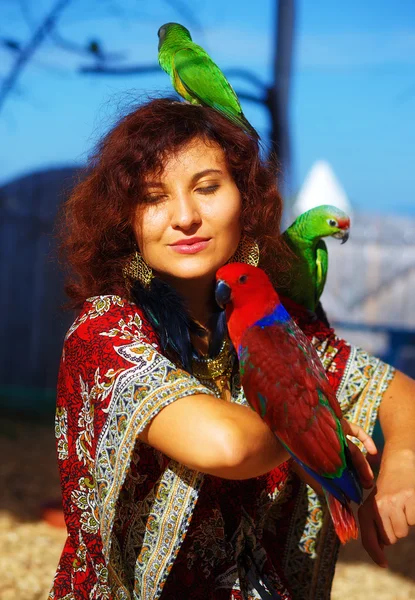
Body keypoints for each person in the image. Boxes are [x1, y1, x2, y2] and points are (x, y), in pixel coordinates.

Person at [49, 98, 415, 600]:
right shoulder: (105, 332)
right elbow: (228, 445)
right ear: (124, 219)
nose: (184, 217)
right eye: (154, 197)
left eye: (207, 187)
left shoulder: (280, 323)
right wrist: (317, 424)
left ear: (245, 198)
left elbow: (399, 394)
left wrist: (403, 464)